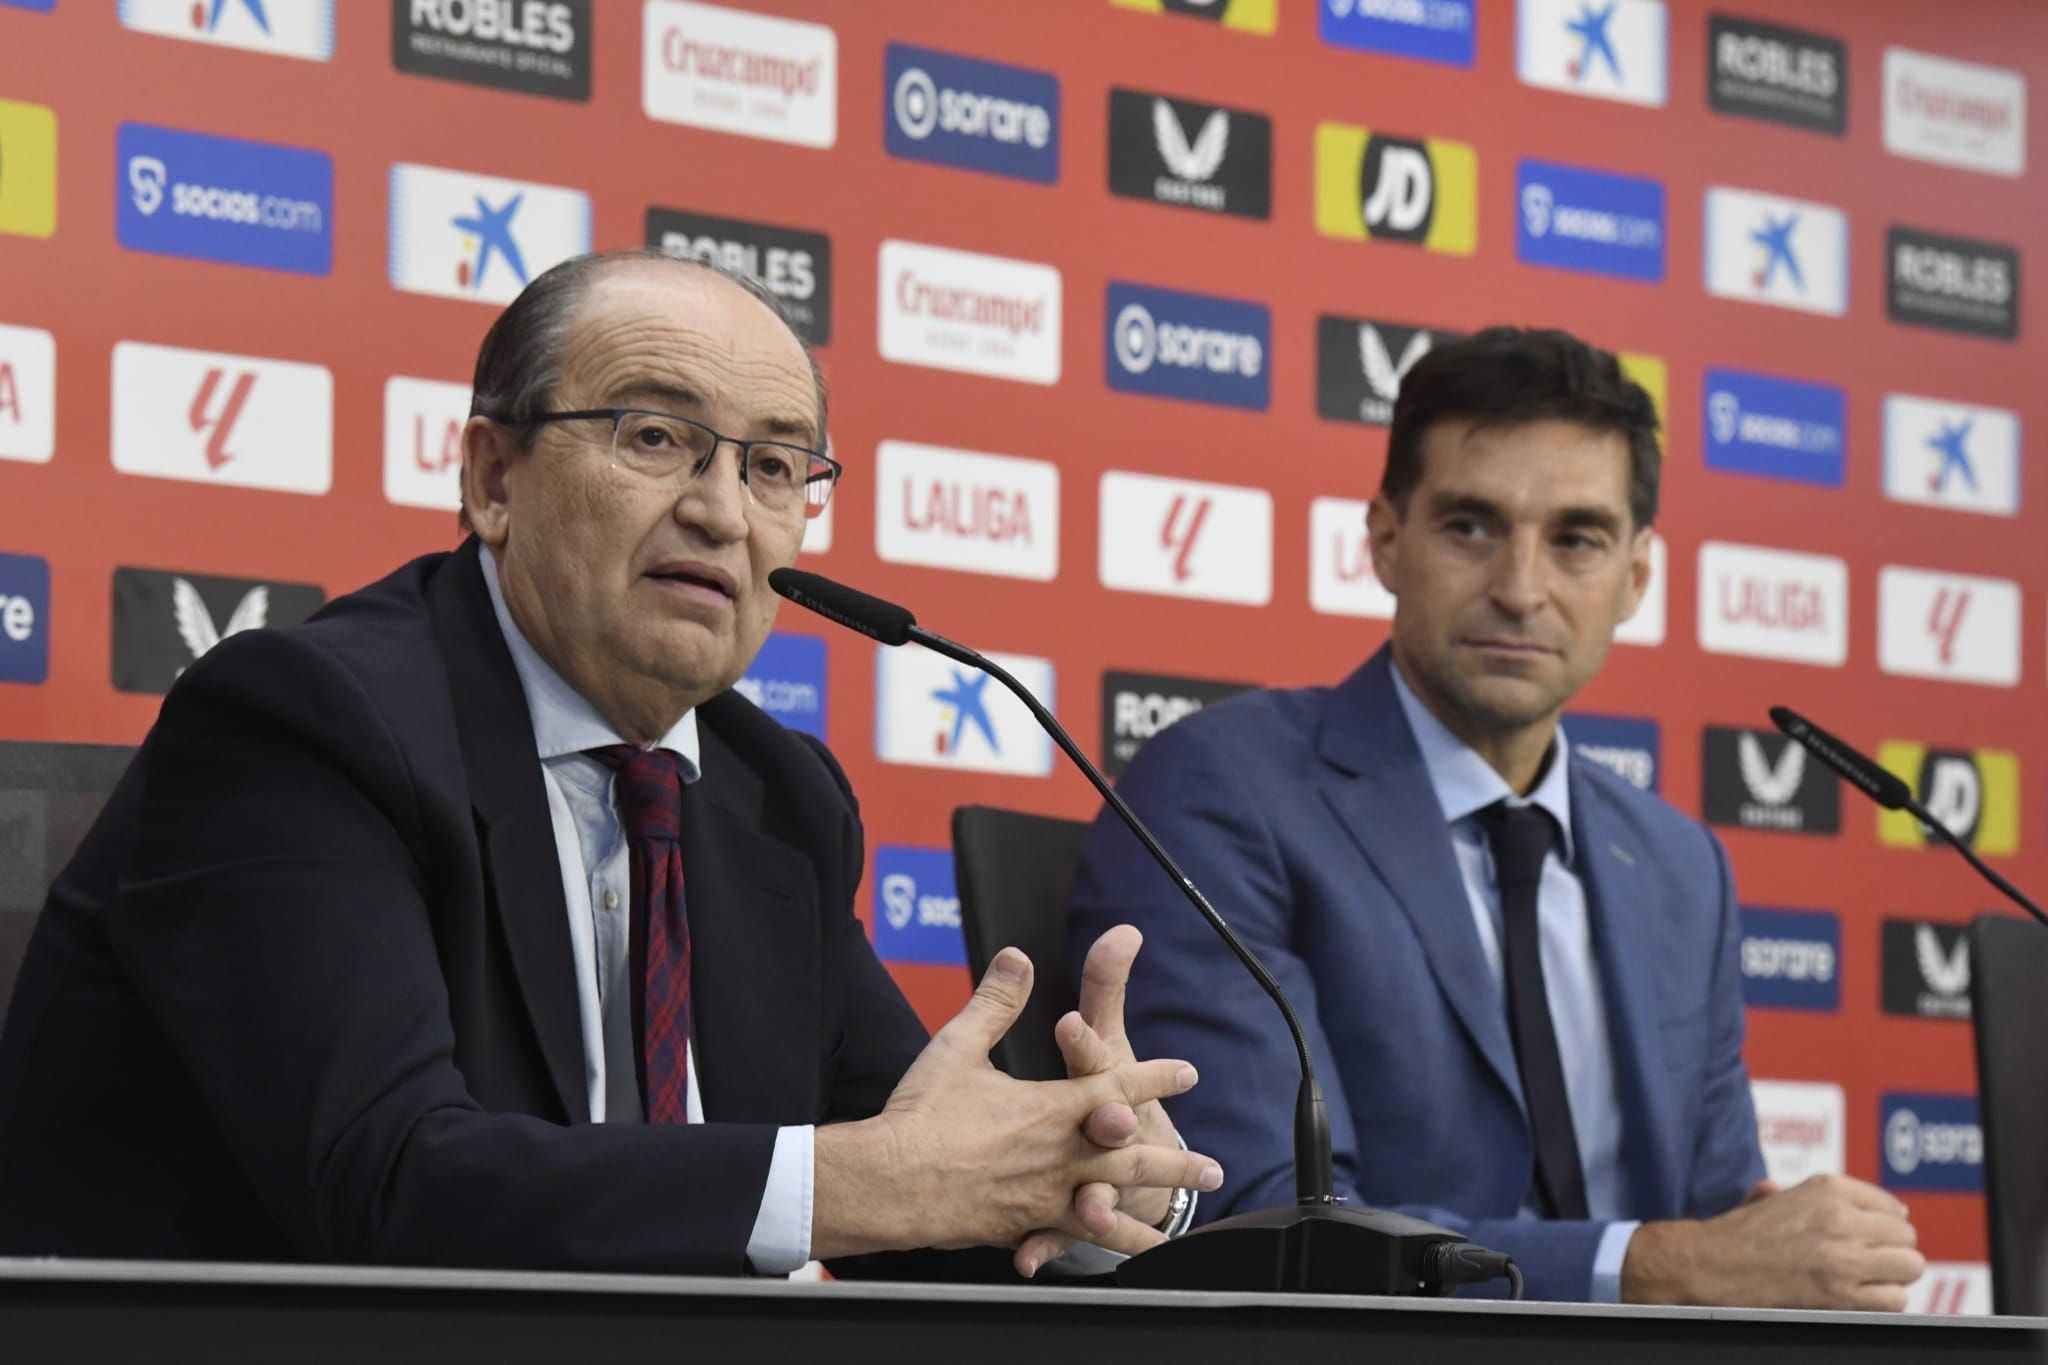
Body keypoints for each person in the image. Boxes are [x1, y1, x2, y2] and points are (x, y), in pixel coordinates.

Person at [0, 249, 1218, 1279]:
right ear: (491, 477)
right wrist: (863, 1182)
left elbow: (923, 1181)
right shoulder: (306, 722)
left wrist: (1095, 1178)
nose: (723, 513)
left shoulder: (773, 795)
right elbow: (385, 1186)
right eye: (655, 437)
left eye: (774, 466)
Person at [1067, 327, 1925, 1307]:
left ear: (1634, 576)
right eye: (1469, 527)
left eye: (1575, 539)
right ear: (1385, 539)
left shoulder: (1679, 865)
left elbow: (1723, 1218)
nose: (1520, 589)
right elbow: (1266, 1216)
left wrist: (1796, 1252)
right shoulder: (1221, 789)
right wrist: (1659, 1267)